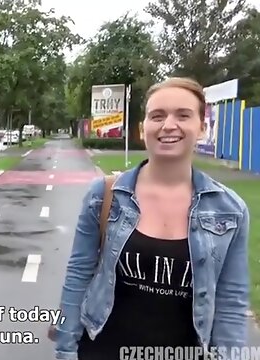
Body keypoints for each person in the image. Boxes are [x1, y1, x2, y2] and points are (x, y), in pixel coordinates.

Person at [52, 77, 249, 359]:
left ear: (202, 128)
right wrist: (65, 351)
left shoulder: (230, 210)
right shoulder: (105, 195)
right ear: (143, 129)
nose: (169, 125)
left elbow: (231, 302)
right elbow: (78, 276)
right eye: (157, 116)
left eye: (183, 115)